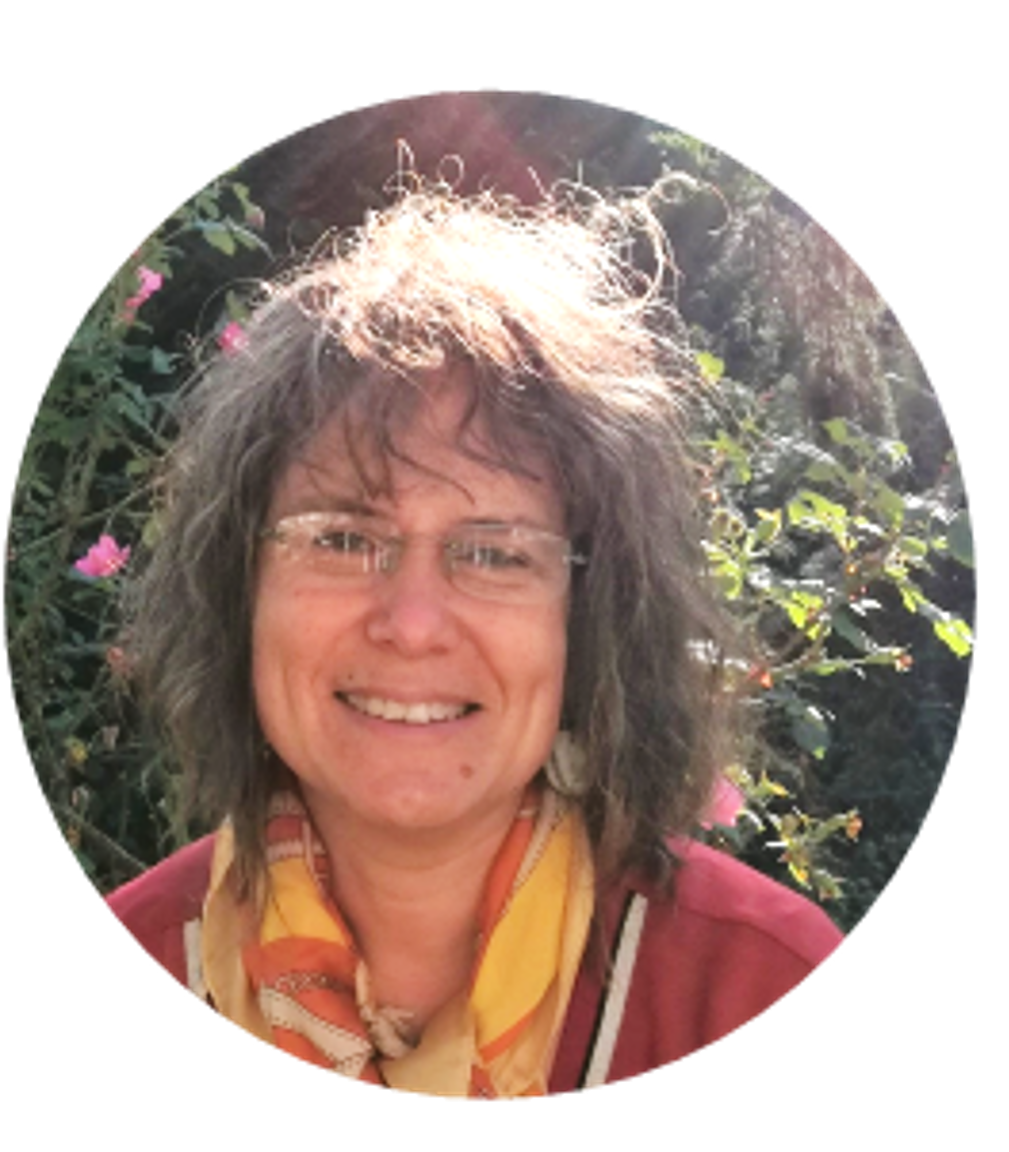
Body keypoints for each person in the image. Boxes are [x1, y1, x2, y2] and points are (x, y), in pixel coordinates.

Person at [104, 166, 846, 1102]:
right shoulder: (140, 947)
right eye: (341, 538)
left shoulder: (766, 996)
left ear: (590, 617)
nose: (412, 624)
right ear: (237, 588)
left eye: (495, 554)